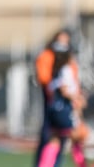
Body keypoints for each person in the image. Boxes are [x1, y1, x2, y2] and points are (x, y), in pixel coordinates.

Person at [34, 29, 80, 167]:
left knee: (60, 138)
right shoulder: (58, 66)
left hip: (62, 105)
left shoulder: (65, 67)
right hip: (59, 105)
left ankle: (50, 164)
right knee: (60, 137)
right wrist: (75, 98)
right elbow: (55, 85)